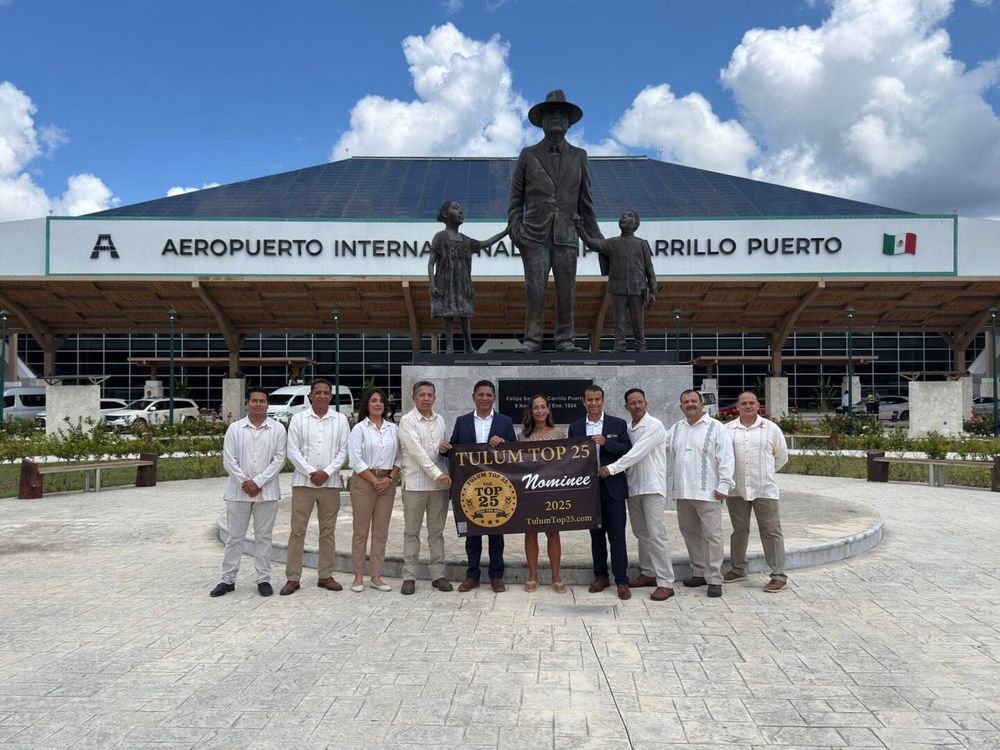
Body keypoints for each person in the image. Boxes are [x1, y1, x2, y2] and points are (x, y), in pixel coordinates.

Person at [508, 89, 603, 353]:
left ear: (569, 122)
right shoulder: (528, 155)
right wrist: (517, 232)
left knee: (566, 292)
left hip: (566, 234)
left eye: (561, 114)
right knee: (535, 291)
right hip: (534, 236)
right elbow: (515, 199)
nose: (556, 118)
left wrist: (600, 244)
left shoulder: (579, 155)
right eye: (551, 114)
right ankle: (532, 339)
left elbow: (586, 204)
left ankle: (566, 339)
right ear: (542, 120)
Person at [440, 379, 517, 592]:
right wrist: (445, 449)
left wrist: (503, 443)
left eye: (488, 395)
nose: (485, 398)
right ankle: (472, 575)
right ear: (473, 397)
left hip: (497, 486)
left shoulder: (505, 421)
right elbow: (455, 448)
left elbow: (515, 451)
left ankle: (496, 576)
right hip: (471, 487)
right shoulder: (462, 421)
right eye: (481, 395)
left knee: (496, 531)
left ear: (494, 398)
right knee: (472, 532)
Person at [599, 388, 674, 602]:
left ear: (646, 403)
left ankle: (666, 582)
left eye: (640, 402)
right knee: (641, 533)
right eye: (632, 403)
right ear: (626, 407)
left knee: (657, 534)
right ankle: (649, 572)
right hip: (633, 489)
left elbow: (636, 453)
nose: (637, 405)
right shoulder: (629, 428)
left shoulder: (655, 426)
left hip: (652, 487)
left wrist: (611, 469)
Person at [211, 387, 287, 598]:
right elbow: (229, 460)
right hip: (238, 492)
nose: (258, 404)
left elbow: (279, 460)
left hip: (267, 492)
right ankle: (228, 579)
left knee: (264, 537)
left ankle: (263, 579)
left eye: (262, 401)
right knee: (235, 537)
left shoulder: (278, 430)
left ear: (267, 404)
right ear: (247, 403)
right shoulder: (235, 429)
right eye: (254, 401)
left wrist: (259, 482)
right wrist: (245, 482)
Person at [280, 378, 350, 596]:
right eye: (317, 392)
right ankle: (293, 578)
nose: (321, 395)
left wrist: (327, 472)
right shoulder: (299, 419)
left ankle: (325, 575)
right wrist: (311, 471)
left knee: (327, 532)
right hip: (303, 483)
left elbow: (344, 451)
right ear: (310, 396)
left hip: (330, 485)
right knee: (297, 530)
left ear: (331, 396)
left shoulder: (340, 420)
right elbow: (292, 450)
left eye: (325, 392)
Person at [667, 389, 735, 598]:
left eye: (693, 401)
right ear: (681, 407)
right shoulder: (676, 428)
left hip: (709, 493)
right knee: (689, 532)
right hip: (684, 492)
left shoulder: (716, 428)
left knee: (713, 536)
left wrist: (724, 485)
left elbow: (726, 457)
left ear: (702, 404)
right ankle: (699, 571)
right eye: (686, 402)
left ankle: (714, 578)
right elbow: (660, 450)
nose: (690, 405)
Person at [568, 385, 632, 600]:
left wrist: (606, 443)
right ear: (583, 402)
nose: (593, 403)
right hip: (588, 490)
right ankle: (601, 576)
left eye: (597, 399)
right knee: (596, 536)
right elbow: (570, 458)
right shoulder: (576, 427)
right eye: (589, 400)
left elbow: (626, 451)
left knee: (617, 536)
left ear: (603, 401)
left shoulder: (618, 424)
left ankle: (621, 580)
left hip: (613, 488)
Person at [724, 391, 790, 593]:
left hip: (764, 489)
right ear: (737, 407)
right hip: (736, 489)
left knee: (771, 532)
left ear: (758, 406)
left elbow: (782, 457)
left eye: (751, 403)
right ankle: (738, 568)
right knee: (739, 530)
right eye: (743, 403)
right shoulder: (727, 430)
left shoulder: (771, 429)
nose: (748, 406)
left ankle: (778, 575)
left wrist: (764, 474)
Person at [428, 201, 509, 354]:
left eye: (461, 209)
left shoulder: (466, 240)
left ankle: (468, 346)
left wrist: (505, 232)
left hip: (463, 283)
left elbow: (485, 243)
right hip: (447, 282)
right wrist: (432, 284)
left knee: (465, 313)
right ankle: (450, 346)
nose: (460, 211)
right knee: (449, 313)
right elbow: (431, 262)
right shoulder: (440, 237)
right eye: (456, 208)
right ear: (445, 215)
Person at [397, 380, 453, 595]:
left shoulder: (440, 420)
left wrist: (443, 448)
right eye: (422, 395)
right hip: (415, 486)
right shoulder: (407, 421)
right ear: (414, 398)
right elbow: (416, 452)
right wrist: (439, 474)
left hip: (438, 489)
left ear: (435, 398)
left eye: (430, 395)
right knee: (411, 533)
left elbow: (439, 449)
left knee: (436, 533)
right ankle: (409, 576)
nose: (426, 398)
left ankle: (438, 575)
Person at [575, 210, 656, 352]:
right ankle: (619, 346)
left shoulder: (641, 244)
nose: (624, 217)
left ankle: (641, 346)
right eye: (623, 215)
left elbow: (649, 269)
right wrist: (580, 229)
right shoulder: (612, 243)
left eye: (629, 215)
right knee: (619, 319)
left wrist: (653, 289)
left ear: (636, 224)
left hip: (637, 288)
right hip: (618, 288)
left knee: (638, 320)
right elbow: (592, 243)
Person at [347, 388, 400, 593]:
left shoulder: (393, 429)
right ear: (367, 405)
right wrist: (374, 479)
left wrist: (388, 479)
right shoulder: (359, 429)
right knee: (360, 532)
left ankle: (376, 577)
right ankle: (358, 576)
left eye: (381, 401)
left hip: (386, 484)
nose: (378, 404)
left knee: (380, 533)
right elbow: (355, 458)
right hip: (363, 482)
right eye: (373, 401)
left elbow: (400, 457)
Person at [519, 395, 567, 593]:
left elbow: (566, 463)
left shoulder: (559, 434)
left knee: (553, 532)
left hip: (552, 490)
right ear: (531, 411)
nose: (539, 411)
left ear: (548, 409)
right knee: (530, 532)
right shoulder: (522, 436)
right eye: (535, 408)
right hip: (530, 491)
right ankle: (533, 576)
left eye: (542, 407)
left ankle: (556, 577)